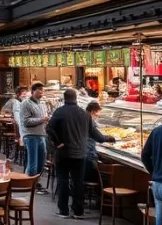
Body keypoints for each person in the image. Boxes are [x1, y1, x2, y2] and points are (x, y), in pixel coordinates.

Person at [47, 90, 114, 219]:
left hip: (63, 152)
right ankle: (78, 211)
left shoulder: (59, 112)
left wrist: (58, 143)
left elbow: (49, 128)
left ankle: (63, 211)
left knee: (63, 180)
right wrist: (108, 138)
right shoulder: (85, 114)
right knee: (78, 182)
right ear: (76, 98)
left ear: (64, 98)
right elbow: (96, 135)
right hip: (80, 153)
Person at [21, 83, 50, 194]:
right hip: (30, 136)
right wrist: (42, 120)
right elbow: (26, 121)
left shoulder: (42, 104)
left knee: (41, 162)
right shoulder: (26, 104)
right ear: (33, 91)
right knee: (33, 163)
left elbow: (45, 119)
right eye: (39, 90)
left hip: (41, 135)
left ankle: (35, 182)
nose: (41, 92)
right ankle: (30, 185)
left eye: (42, 90)